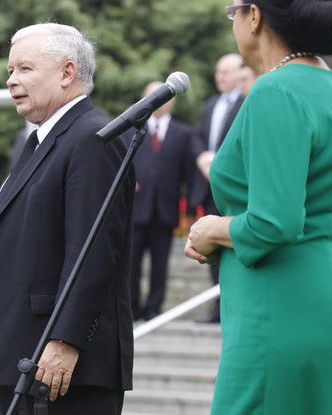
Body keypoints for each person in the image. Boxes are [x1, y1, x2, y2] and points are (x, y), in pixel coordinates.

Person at [0, 23, 134, 415]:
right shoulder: (42, 140)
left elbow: (93, 251)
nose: (11, 81)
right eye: (9, 71)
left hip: (63, 366)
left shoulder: (92, 138)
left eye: (24, 69)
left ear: (67, 73)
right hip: (25, 356)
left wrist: (66, 340)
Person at [185, 1, 332, 414]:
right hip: (317, 294)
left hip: (276, 306)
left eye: (233, 11)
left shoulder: (276, 89)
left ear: (255, 16)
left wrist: (211, 229)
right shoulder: (325, 86)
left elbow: (275, 221)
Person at [130, 81, 195, 321]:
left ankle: (154, 308)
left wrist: (189, 207)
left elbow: (189, 173)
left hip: (165, 210)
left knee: (160, 265)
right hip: (136, 208)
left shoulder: (184, 133)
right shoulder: (132, 129)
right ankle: (131, 307)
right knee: (131, 264)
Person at [189, 52, 244, 323]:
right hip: (209, 185)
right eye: (218, 72)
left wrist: (218, 162)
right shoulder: (211, 105)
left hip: (234, 186)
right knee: (212, 250)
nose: (219, 77)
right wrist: (202, 157)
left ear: (239, 73)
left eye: (225, 72)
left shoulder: (248, 101)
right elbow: (198, 137)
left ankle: (232, 306)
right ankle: (217, 307)